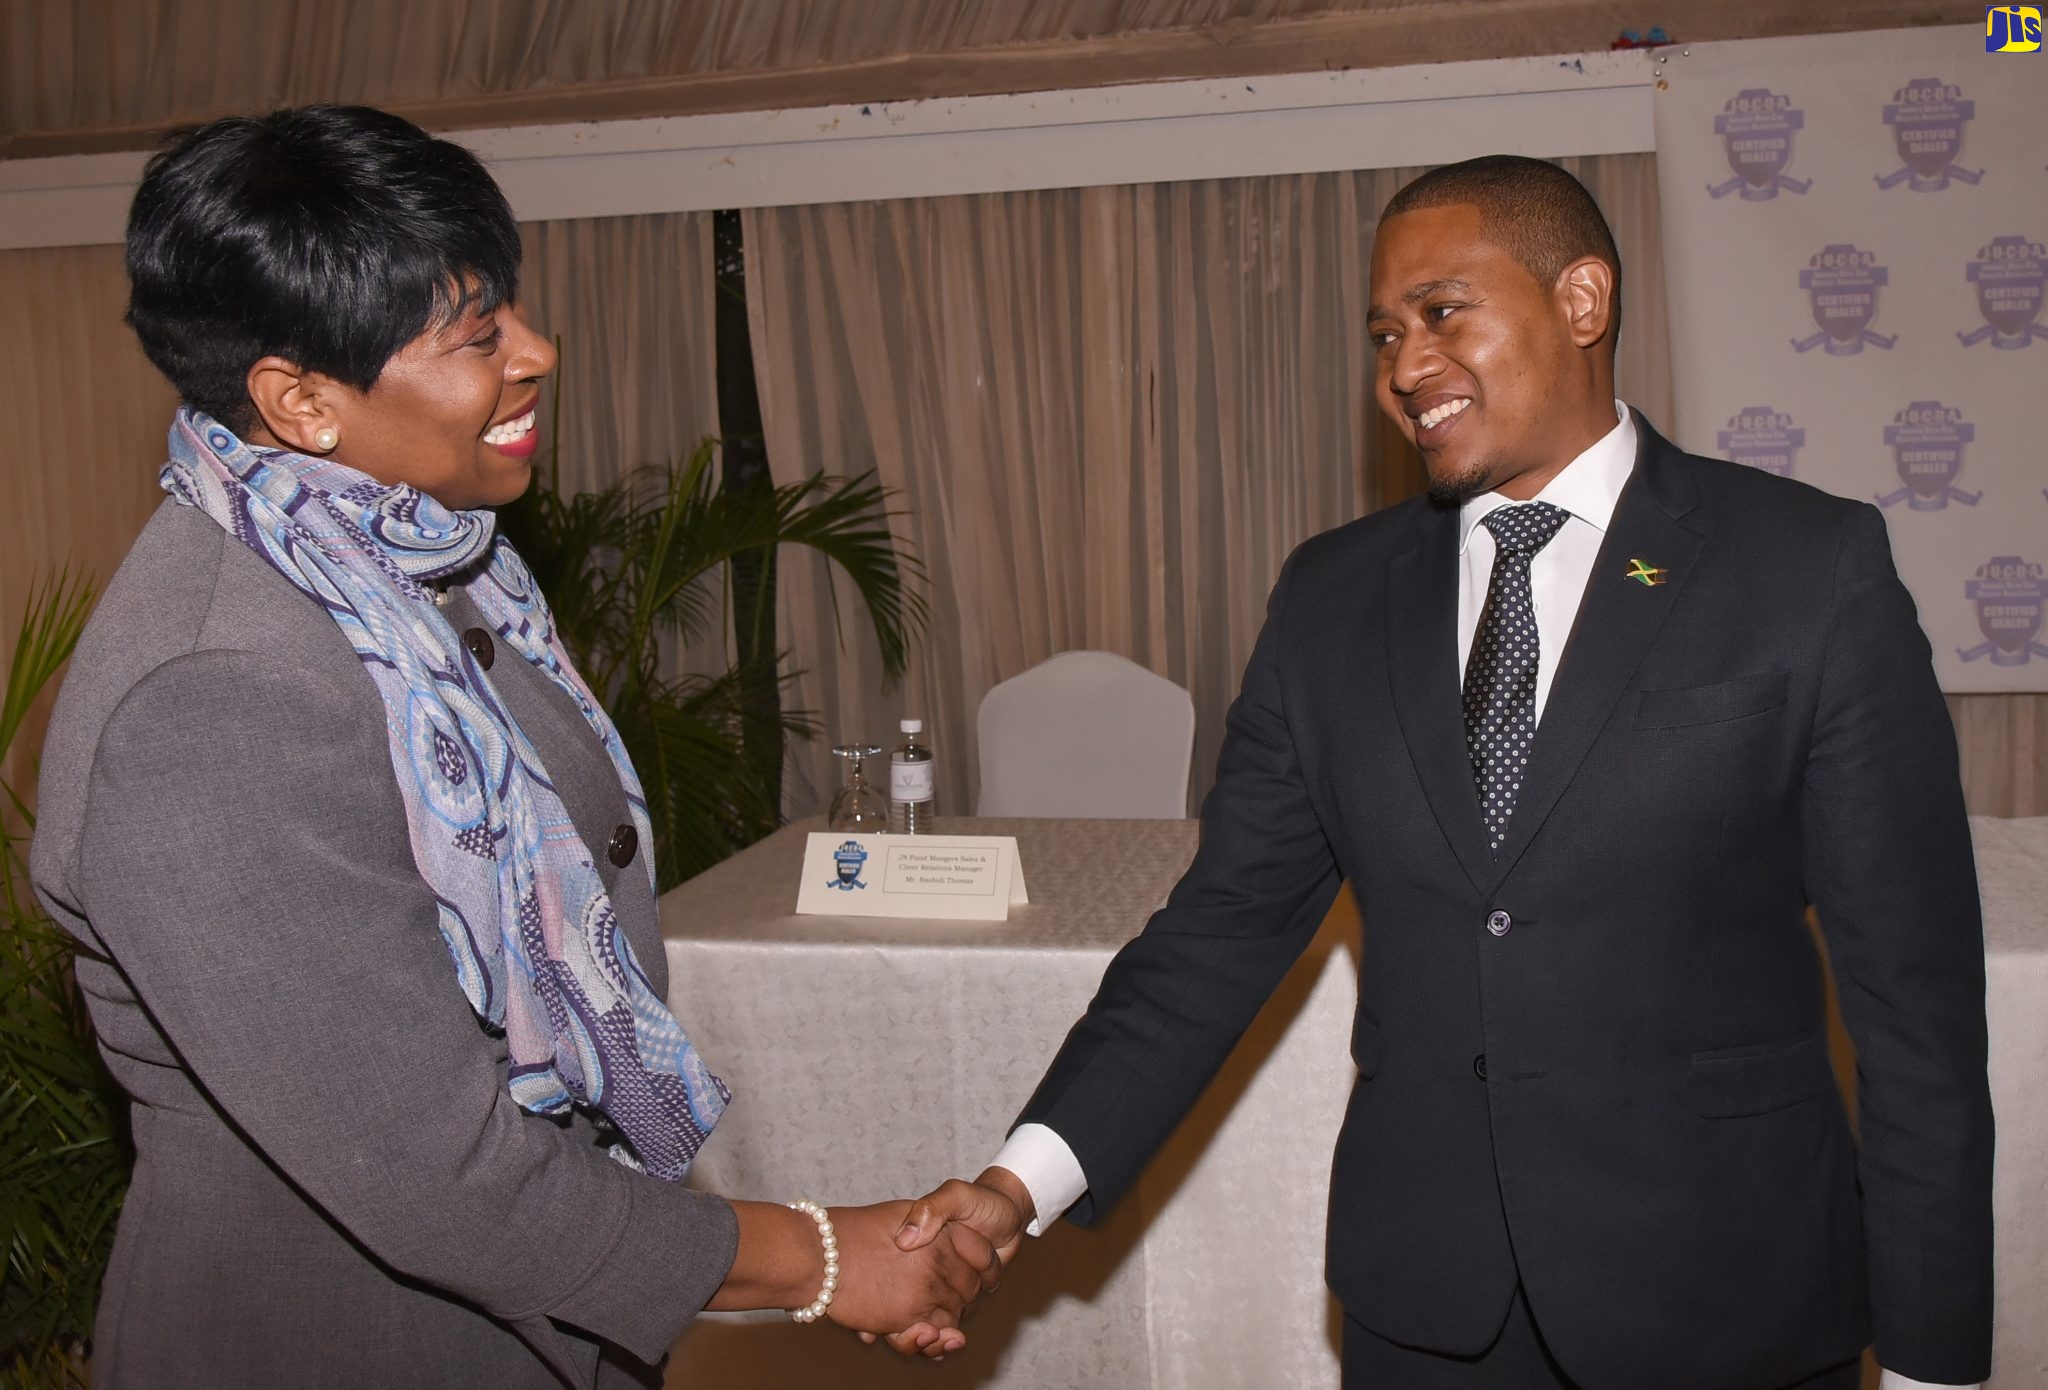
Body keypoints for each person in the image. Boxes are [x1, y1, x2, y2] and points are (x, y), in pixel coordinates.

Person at [901, 156, 1994, 1389]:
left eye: (1440, 312)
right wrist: (1015, 1186)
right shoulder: (1328, 598)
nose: (1403, 366)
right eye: (1382, 332)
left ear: (1580, 302)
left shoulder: (1805, 569)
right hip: (1425, 1308)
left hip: (1723, 1292)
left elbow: (1918, 1017)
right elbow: (1215, 934)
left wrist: (1931, 1362)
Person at [30, 105, 1000, 1390]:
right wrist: (822, 1258)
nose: (536, 353)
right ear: (301, 400)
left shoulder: (415, 565)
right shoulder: (220, 697)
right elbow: (432, 1172)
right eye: (477, 336)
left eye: (513, 310)